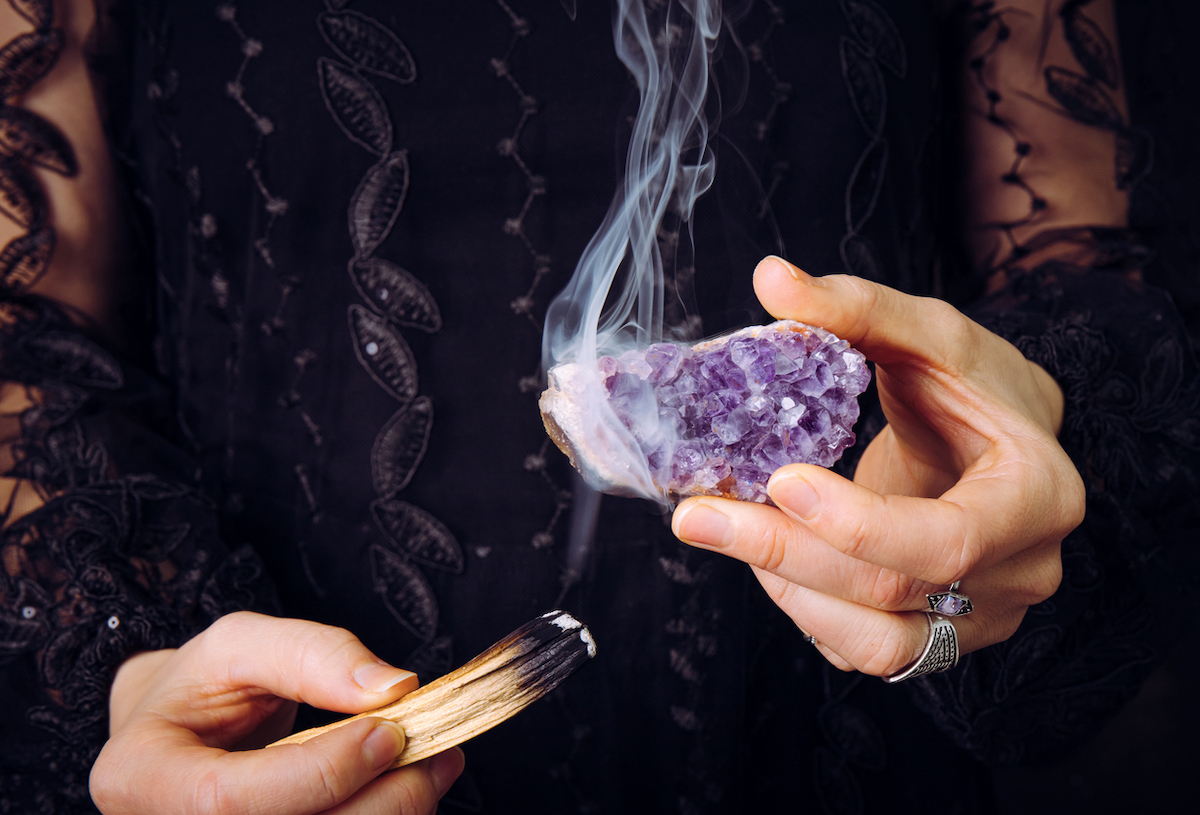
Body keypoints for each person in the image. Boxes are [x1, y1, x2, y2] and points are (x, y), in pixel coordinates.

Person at [2, 0, 1197, 812]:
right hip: (275, 711)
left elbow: (1078, 245)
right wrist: (128, 658)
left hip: (846, 724)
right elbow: (24, 326)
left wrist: (1029, 422)